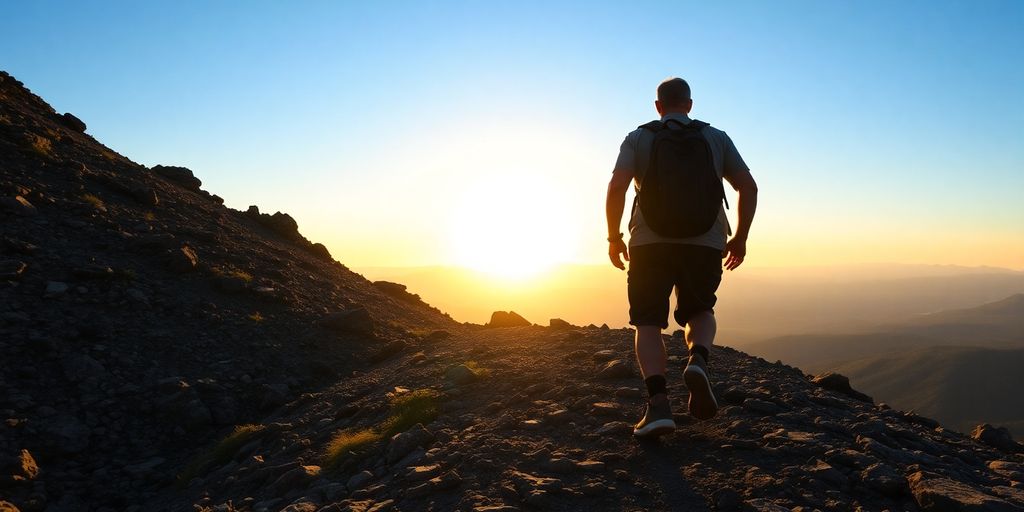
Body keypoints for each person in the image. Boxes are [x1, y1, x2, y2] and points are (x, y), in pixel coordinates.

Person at [605, 77, 758, 437]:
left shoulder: (638, 138)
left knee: (647, 322)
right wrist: (740, 238)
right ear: (689, 105)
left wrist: (614, 238)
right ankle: (698, 359)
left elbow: (617, 186)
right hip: (705, 242)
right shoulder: (715, 137)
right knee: (700, 309)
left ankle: (658, 405)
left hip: (649, 243)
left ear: (657, 106)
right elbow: (748, 187)